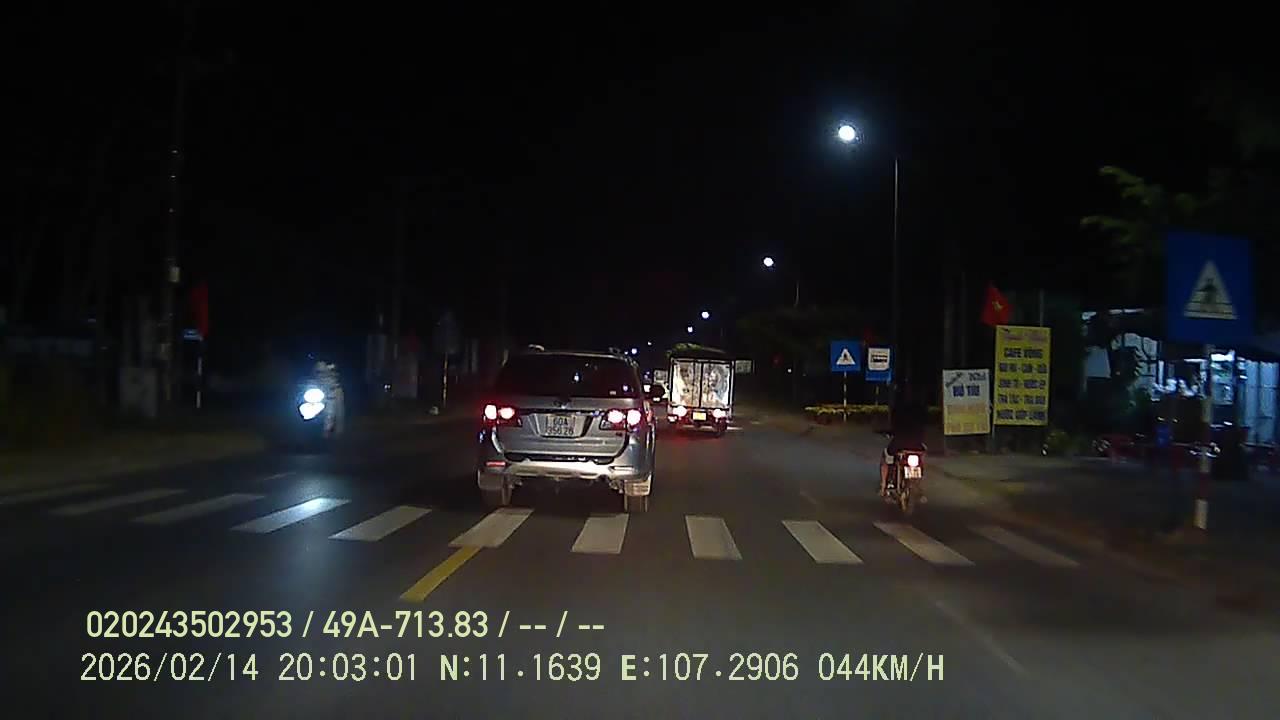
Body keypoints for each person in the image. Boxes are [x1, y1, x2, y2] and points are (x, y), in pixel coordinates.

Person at [879, 386, 928, 500]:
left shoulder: (897, 410)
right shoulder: (920, 410)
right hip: (917, 445)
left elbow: (893, 427)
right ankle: (919, 486)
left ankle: (884, 486)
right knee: (922, 457)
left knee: (886, 458)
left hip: (899, 444)